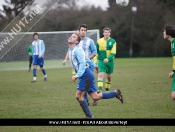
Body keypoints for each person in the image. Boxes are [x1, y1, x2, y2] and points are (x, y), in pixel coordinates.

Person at [67, 33, 123, 118]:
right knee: (95, 96)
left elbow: (82, 63)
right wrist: (94, 65)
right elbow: (86, 58)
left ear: (77, 41)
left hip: (85, 75)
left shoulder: (77, 50)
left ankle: (89, 117)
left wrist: (77, 75)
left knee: (79, 96)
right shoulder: (71, 49)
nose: (71, 37)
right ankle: (115, 93)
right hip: (86, 74)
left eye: (74, 37)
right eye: (71, 36)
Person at [62, 24, 97, 106]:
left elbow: (94, 53)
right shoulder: (75, 41)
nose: (83, 32)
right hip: (80, 67)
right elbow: (69, 51)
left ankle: (94, 98)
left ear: (86, 32)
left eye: (85, 30)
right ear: (79, 31)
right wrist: (65, 59)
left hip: (88, 66)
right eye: (82, 30)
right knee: (83, 85)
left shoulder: (90, 41)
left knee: (88, 84)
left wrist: (87, 60)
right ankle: (87, 100)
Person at [94, 27, 117, 93]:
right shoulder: (99, 41)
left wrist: (107, 59)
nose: (107, 33)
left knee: (109, 77)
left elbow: (113, 53)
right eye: (105, 32)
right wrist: (95, 62)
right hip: (101, 61)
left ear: (110, 33)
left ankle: (107, 90)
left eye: (108, 32)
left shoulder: (113, 41)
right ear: (103, 33)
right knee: (100, 75)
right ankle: (99, 90)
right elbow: (96, 52)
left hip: (110, 62)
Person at [163, 25, 175, 100]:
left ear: (168, 33)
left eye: (164, 31)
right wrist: (173, 71)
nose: (163, 33)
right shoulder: (172, 42)